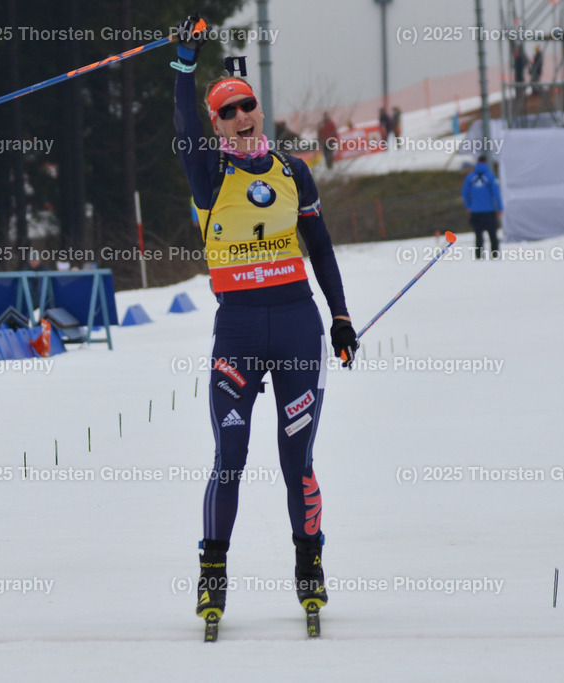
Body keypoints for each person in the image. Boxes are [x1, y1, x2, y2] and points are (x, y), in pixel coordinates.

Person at [171, 15, 359, 628]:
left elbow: (322, 247)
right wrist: (182, 65)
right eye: (229, 111)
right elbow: (181, 126)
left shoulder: (291, 171)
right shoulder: (208, 175)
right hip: (240, 335)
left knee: (296, 459)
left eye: (249, 106)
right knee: (230, 458)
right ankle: (212, 575)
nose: (243, 116)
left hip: (299, 328)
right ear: (216, 124)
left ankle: (310, 566)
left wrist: (340, 317)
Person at [461, 155, 505, 259]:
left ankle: (479, 256)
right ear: (486, 162)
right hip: (489, 211)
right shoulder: (491, 176)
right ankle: (495, 255)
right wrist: (500, 208)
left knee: (478, 236)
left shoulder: (470, 177)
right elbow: (496, 193)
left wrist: (469, 206)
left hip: (475, 211)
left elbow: (465, 193)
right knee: (493, 235)